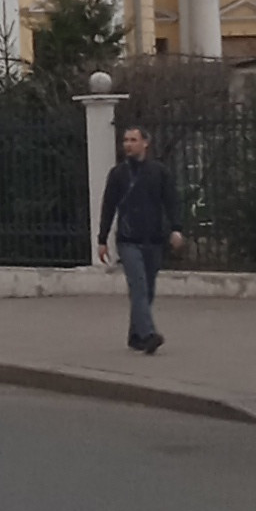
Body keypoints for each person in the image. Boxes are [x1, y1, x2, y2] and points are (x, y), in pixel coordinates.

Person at [97, 121, 181, 353]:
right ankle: (149, 334)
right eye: (125, 140)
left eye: (133, 140)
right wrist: (102, 239)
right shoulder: (118, 174)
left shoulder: (159, 172)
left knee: (148, 290)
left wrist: (176, 228)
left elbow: (171, 201)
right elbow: (108, 207)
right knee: (139, 287)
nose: (128, 145)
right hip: (128, 240)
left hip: (154, 239)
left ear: (145, 143)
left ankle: (135, 335)